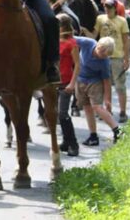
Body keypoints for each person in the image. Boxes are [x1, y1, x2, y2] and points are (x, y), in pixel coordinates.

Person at [74, 36, 123, 146]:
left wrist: (107, 100)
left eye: (106, 56)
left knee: (97, 107)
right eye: (102, 54)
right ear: (98, 47)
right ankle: (93, 136)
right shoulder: (87, 43)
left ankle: (117, 130)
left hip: (95, 82)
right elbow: (70, 38)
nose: (102, 57)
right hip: (80, 79)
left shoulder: (104, 62)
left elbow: (107, 81)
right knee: (87, 108)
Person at [92, 0, 130, 123]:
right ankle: (106, 110)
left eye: (110, 7)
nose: (107, 10)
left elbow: (126, 40)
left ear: (115, 8)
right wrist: (84, 32)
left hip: (117, 56)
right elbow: (94, 35)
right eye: (106, 7)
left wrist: (126, 58)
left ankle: (123, 111)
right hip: (103, 57)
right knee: (102, 85)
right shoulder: (100, 19)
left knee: (120, 85)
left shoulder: (122, 21)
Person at [56, 14, 81, 157]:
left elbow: (77, 65)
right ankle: (66, 142)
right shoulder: (55, 40)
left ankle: (73, 144)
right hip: (55, 82)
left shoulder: (72, 43)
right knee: (58, 114)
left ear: (63, 26)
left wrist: (72, 83)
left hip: (66, 83)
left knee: (63, 113)